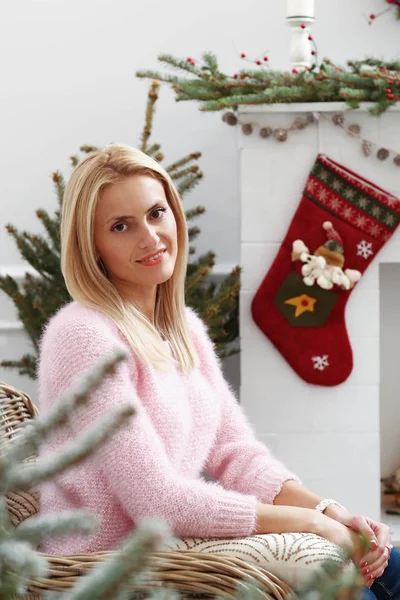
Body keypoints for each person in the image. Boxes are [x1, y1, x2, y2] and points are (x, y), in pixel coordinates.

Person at [37, 143, 399, 598]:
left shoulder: (183, 328)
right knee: (335, 569)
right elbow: (158, 501)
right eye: (120, 226)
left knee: (392, 563)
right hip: (110, 562)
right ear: (93, 247)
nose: (150, 237)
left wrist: (328, 510)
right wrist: (310, 524)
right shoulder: (83, 336)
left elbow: (235, 452)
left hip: (173, 543)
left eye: (156, 213)